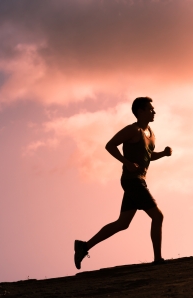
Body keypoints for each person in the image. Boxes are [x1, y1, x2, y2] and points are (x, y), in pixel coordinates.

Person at [74, 97, 172, 270]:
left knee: (122, 223)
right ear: (140, 112)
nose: (154, 112)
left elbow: (148, 156)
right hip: (132, 181)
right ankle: (158, 260)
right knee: (158, 216)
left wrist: (162, 153)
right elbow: (110, 145)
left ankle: (84, 246)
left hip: (137, 180)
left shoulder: (150, 133)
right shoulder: (132, 130)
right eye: (150, 109)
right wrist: (126, 162)